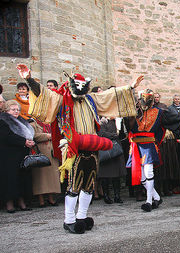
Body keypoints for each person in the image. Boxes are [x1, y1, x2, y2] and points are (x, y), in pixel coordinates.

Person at [17, 64, 141, 234]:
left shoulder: (91, 99)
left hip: (92, 147)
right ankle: (69, 220)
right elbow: (44, 95)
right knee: (74, 185)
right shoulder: (62, 99)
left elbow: (109, 95)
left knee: (89, 184)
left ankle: (81, 217)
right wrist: (29, 79)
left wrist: (131, 87)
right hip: (73, 148)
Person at [126, 89, 180, 211]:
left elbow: (175, 118)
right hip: (136, 146)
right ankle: (156, 197)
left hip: (149, 145)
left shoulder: (159, 113)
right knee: (142, 178)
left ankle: (149, 201)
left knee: (149, 173)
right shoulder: (134, 112)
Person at [0, 100, 35, 213]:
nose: (16, 111)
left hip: (21, 153)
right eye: (13, 109)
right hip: (8, 155)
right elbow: (7, 136)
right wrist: (23, 141)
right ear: (6, 110)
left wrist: (29, 141)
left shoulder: (21, 120)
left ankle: (22, 202)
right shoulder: (3, 120)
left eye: (18, 110)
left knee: (22, 178)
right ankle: (9, 203)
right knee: (10, 179)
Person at [30, 118, 61, 207]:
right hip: (41, 151)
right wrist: (47, 136)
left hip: (52, 151)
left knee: (52, 176)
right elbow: (33, 135)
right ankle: (41, 200)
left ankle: (51, 198)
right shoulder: (33, 123)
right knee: (40, 177)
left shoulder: (50, 121)